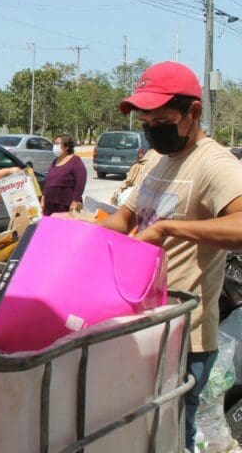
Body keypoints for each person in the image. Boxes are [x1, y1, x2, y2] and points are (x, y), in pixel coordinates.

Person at [99, 61, 242, 451]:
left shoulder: (214, 164)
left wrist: (170, 228)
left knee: (170, 437)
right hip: (141, 324)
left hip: (184, 337)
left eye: (160, 120)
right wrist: (73, 224)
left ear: (193, 112)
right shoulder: (158, 162)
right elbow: (124, 220)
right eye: (145, 123)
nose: (151, 131)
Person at [41, 135, 87, 216]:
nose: (55, 146)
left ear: (67, 147)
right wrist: (44, 196)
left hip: (64, 205)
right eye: (54, 143)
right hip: (50, 205)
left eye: (58, 144)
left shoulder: (75, 161)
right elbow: (49, 180)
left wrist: (75, 201)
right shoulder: (55, 161)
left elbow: (80, 182)